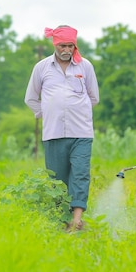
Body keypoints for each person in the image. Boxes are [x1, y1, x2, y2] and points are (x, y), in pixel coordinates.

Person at [24, 25, 100, 231]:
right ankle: (62, 219)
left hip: (81, 131)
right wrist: (47, 112)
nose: (67, 50)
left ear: (75, 45)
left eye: (70, 46)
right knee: (58, 178)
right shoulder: (42, 67)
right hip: (53, 132)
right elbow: (31, 98)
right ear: (55, 45)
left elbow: (94, 97)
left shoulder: (85, 66)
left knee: (81, 173)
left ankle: (77, 219)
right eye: (62, 46)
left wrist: (78, 110)